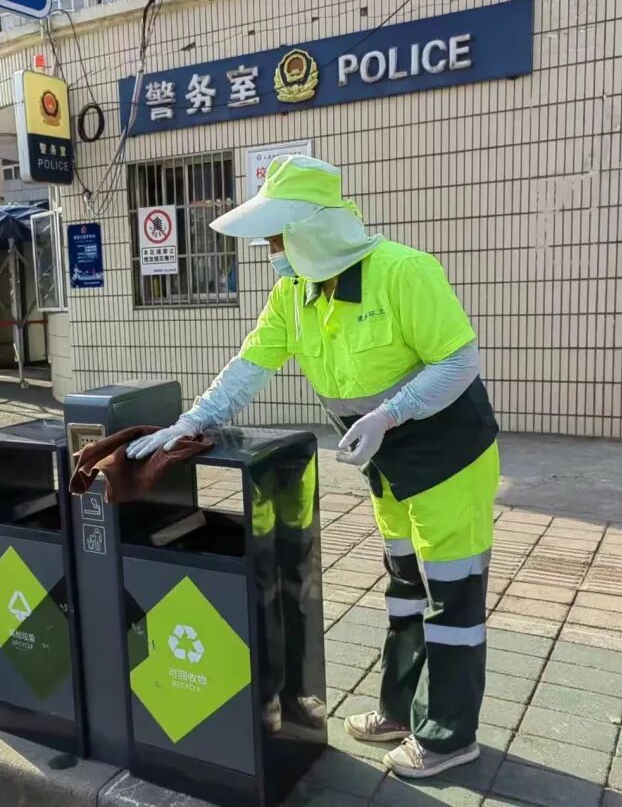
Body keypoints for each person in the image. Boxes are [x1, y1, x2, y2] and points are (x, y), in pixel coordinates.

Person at [127, 155, 499, 779]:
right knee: (404, 585)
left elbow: (458, 363)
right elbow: (249, 367)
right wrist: (192, 421)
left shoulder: (402, 271)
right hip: (385, 462)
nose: (271, 251)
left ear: (314, 231)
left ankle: (449, 735)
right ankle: (400, 711)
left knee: (452, 595)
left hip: (447, 456)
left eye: (277, 237)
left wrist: (389, 414)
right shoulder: (294, 294)